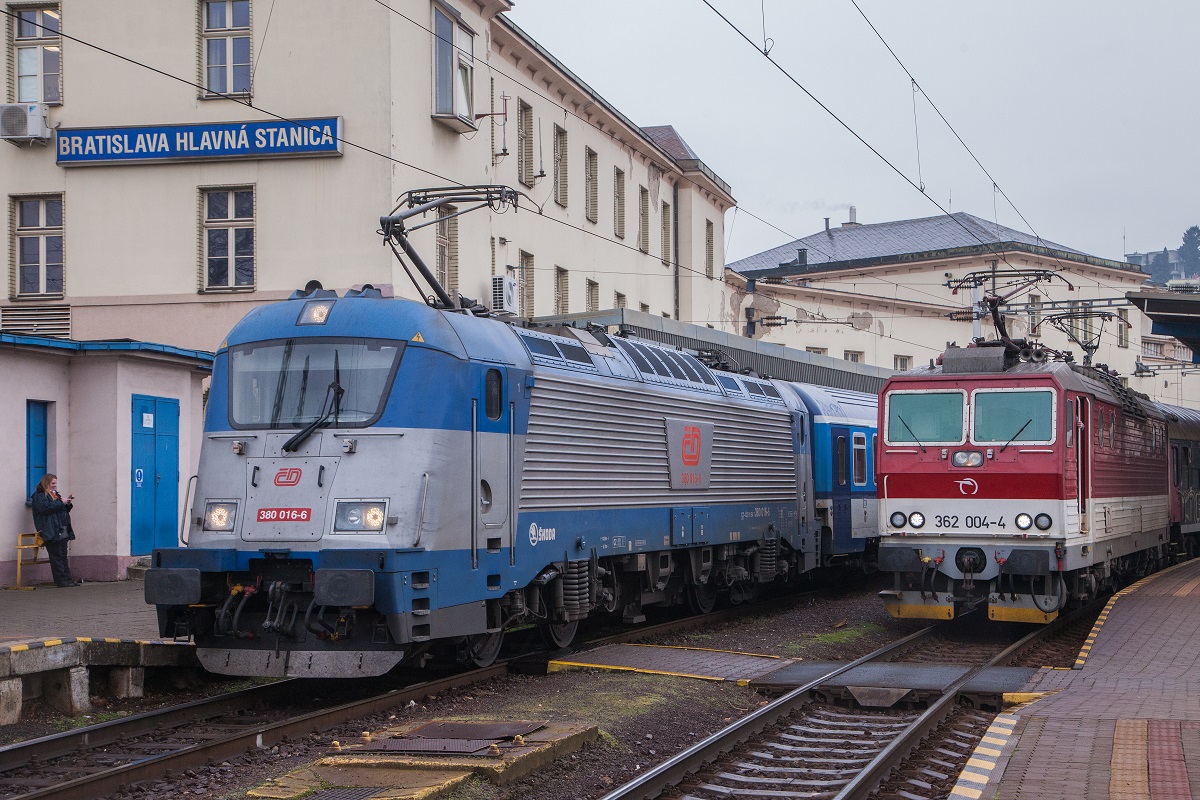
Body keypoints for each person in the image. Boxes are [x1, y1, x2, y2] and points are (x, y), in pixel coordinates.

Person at [30, 473, 79, 587]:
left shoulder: (54, 494)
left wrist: (67, 503)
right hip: (50, 530)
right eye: (52, 483)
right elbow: (45, 508)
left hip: (61, 528)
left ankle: (68, 579)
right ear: (46, 483)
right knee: (56, 557)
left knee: (63, 556)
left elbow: (60, 509)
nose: (54, 485)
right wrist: (61, 502)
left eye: (55, 483)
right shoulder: (39, 496)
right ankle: (61, 581)